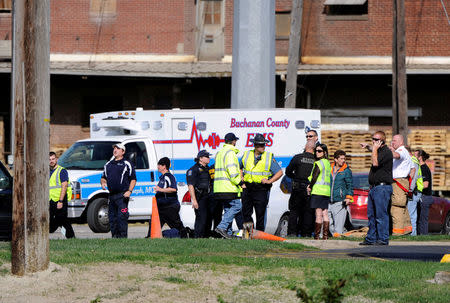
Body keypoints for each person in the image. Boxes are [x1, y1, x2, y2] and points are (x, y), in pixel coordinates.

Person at [241, 134, 283, 231]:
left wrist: (269, 181)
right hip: (248, 187)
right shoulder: (247, 154)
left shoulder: (268, 157)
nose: (263, 147)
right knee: (246, 212)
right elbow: (240, 167)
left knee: (260, 214)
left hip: (261, 188)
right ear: (255, 145)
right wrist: (242, 179)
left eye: (264, 145)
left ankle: (259, 235)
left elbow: (279, 172)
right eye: (261, 145)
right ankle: (248, 235)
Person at [360, 131, 393, 246]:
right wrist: (368, 147)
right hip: (374, 188)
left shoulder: (387, 152)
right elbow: (375, 151)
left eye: (375, 140)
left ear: (381, 142)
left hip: (382, 188)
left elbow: (375, 163)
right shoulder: (378, 150)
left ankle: (383, 239)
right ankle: (371, 238)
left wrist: (373, 149)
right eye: (372, 139)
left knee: (381, 215)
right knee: (372, 215)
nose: (373, 141)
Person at [101, 143, 136, 238]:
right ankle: (115, 238)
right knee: (112, 218)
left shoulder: (127, 163)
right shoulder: (108, 164)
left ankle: (123, 238)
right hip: (111, 195)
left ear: (123, 152)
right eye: (114, 148)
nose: (115, 150)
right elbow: (103, 177)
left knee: (122, 217)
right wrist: (103, 183)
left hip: (122, 196)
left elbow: (133, 179)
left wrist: (129, 191)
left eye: (118, 148)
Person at [214, 133, 244, 239]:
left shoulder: (220, 153)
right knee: (237, 206)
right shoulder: (230, 153)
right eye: (235, 140)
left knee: (228, 209)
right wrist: (240, 182)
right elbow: (232, 171)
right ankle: (222, 227)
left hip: (219, 188)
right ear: (233, 141)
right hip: (229, 187)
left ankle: (228, 233)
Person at [285, 140, 316, 237]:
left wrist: (295, 177)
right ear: (314, 149)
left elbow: (288, 171)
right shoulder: (317, 160)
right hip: (310, 189)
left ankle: (292, 233)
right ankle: (306, 234)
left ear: (305, 147)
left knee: (294, 211)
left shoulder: (298, 157)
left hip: (297, 188)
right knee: (308, 212)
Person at [153, 157, 187, 238]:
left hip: (169, 207)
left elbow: (174, 189)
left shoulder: (169, 176)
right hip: (161, 208)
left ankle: (185, 237)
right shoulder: (162, 177)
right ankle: (150, 237)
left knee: (177, 226)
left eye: (159, 165)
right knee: (154, 225)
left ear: (164, 166)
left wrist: (160, 189)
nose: (158, 166)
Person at [186, 150, 215, 238]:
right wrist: (194, 200)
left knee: (208, 218)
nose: (209, 158)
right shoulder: (193, 170)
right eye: (207, 157)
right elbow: (191, 186)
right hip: (200, 196)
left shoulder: (208, 169)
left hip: (208, 196)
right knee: (201, 218)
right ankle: (198, 237)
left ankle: (206, 237)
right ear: (201, 158)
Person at [389, 134, 413, 235]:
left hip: (398, 182)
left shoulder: (401, 151)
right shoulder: (406, 152)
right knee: (402, 207)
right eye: (392, 140)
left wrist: (390, 151)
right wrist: (408, 183)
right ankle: (406, 229)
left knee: (397, 207)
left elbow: (396, 156)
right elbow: (413, 168)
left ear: (401, 142)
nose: (392, 142)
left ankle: (398, 232)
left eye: (394, 141)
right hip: (401, 182)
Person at [307, 144, 332, 240]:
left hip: (318, 191)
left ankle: (316, 236)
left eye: (319, 151)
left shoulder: (319, 163)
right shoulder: (327, 163)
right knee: (325, 213)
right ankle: (325, 236)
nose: (317, 153)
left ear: (324, 152)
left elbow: (315, 176)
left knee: (318, 214)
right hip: (326, 191)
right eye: (316, 151)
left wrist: (310, 187)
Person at [49, 151, 75, 239]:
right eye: (49, 159)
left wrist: (60, 201)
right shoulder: (48, 171)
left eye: (53, 159)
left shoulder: (62, 171)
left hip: (60, 200)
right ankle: (70, 237)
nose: (51, 161)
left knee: (63, 220)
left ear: (56, 159)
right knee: (56, 221)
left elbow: (64, 186)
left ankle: (71, 237)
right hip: (51, 200)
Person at [329, 150, 353, 237]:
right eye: (341, 158)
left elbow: (350, 185)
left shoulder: (346, 171)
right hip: (328, 201)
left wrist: (348, 197)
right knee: (328, 224)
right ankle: (337, 236)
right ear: (335, 159)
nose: (343, 160)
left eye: (344, 158)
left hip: (340, 201)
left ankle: (337, 240)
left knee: (338, 228)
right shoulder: (329, 168)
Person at [406, 146, 423, 236]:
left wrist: (410, 190)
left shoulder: (412, 161)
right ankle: (411, 233)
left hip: (414, 191)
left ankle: (412, 234)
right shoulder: (413, 160)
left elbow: (414, 177)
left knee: (411, 213)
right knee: (411, 212)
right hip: (415, 191)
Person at [416, 149, 433, 235]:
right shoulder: (419, 168)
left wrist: (415, 187)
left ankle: (423, 237)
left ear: (420, 157)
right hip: (422, 196)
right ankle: (420, 236)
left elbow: (425, 185)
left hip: (425, 197)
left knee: (423, 220)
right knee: (419, 219)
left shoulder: (424, 169)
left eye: (416, 155)